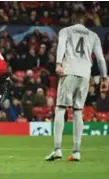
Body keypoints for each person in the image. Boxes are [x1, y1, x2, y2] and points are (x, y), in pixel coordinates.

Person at [45, 12, 108, 162]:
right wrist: (105, 78)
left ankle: (57, 149)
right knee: (78, 111)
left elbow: (61, 47)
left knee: (60, 108)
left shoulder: (66, 31)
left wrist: (59, 63)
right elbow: (100, 58)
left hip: (69, 71)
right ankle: (77, 151)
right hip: (85, 75)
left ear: (73, 20)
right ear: (84, 22)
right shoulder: (93, 36)